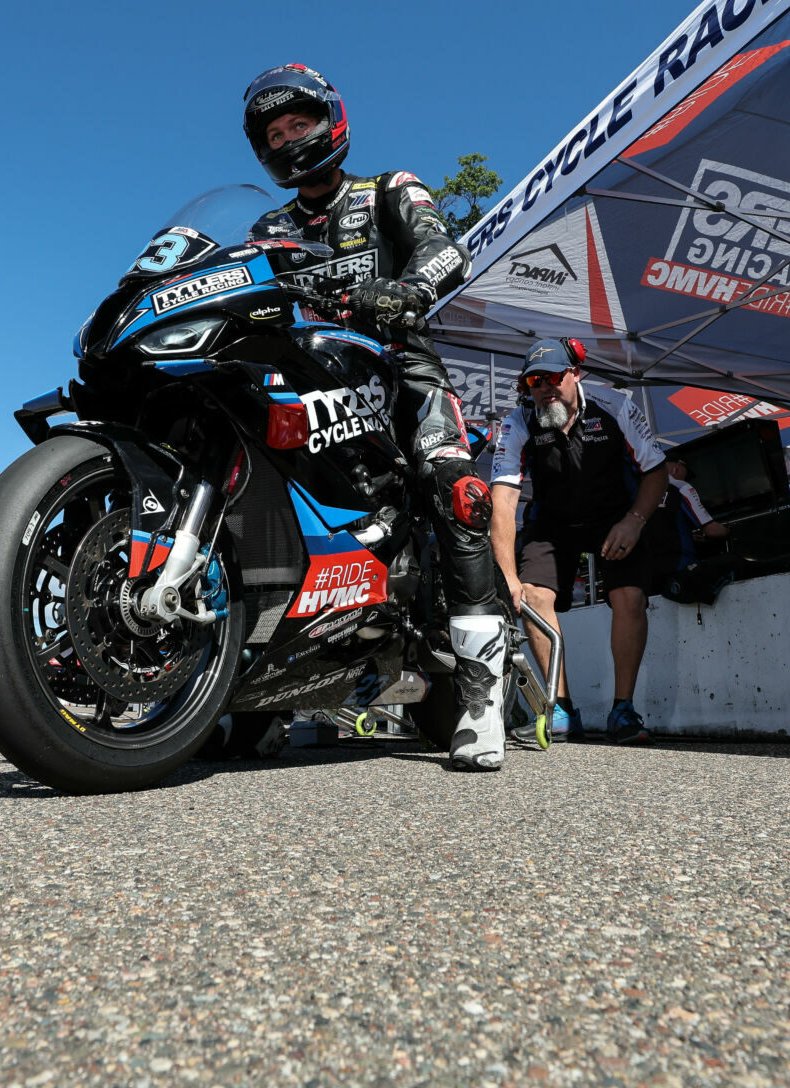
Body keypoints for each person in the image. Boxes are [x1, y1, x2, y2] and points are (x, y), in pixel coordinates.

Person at [241, 64, 508, 771]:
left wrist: (408, 287)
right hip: (306, 380)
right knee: (252, 496)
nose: (289, 139)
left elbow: (448, 246)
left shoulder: (388, 189)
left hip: (399, 371)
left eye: (298, 123)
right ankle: (257, 693)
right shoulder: (266, 227)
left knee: (457, 490)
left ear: (331, 120)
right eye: (275, 133)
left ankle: (482, 701)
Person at [490, 338, 669, 743]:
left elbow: (656, 472)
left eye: (554, 376)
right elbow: (502, 502)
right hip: (552, 522)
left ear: (576, 374)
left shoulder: (616, 405)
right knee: (533, 598)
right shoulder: (517, 422)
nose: (546, 388)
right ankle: (560, 708)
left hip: (615, 518)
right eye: (535, 381)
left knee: (629, 596)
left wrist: (635, 521)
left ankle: (623, 710)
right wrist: (508, 577)